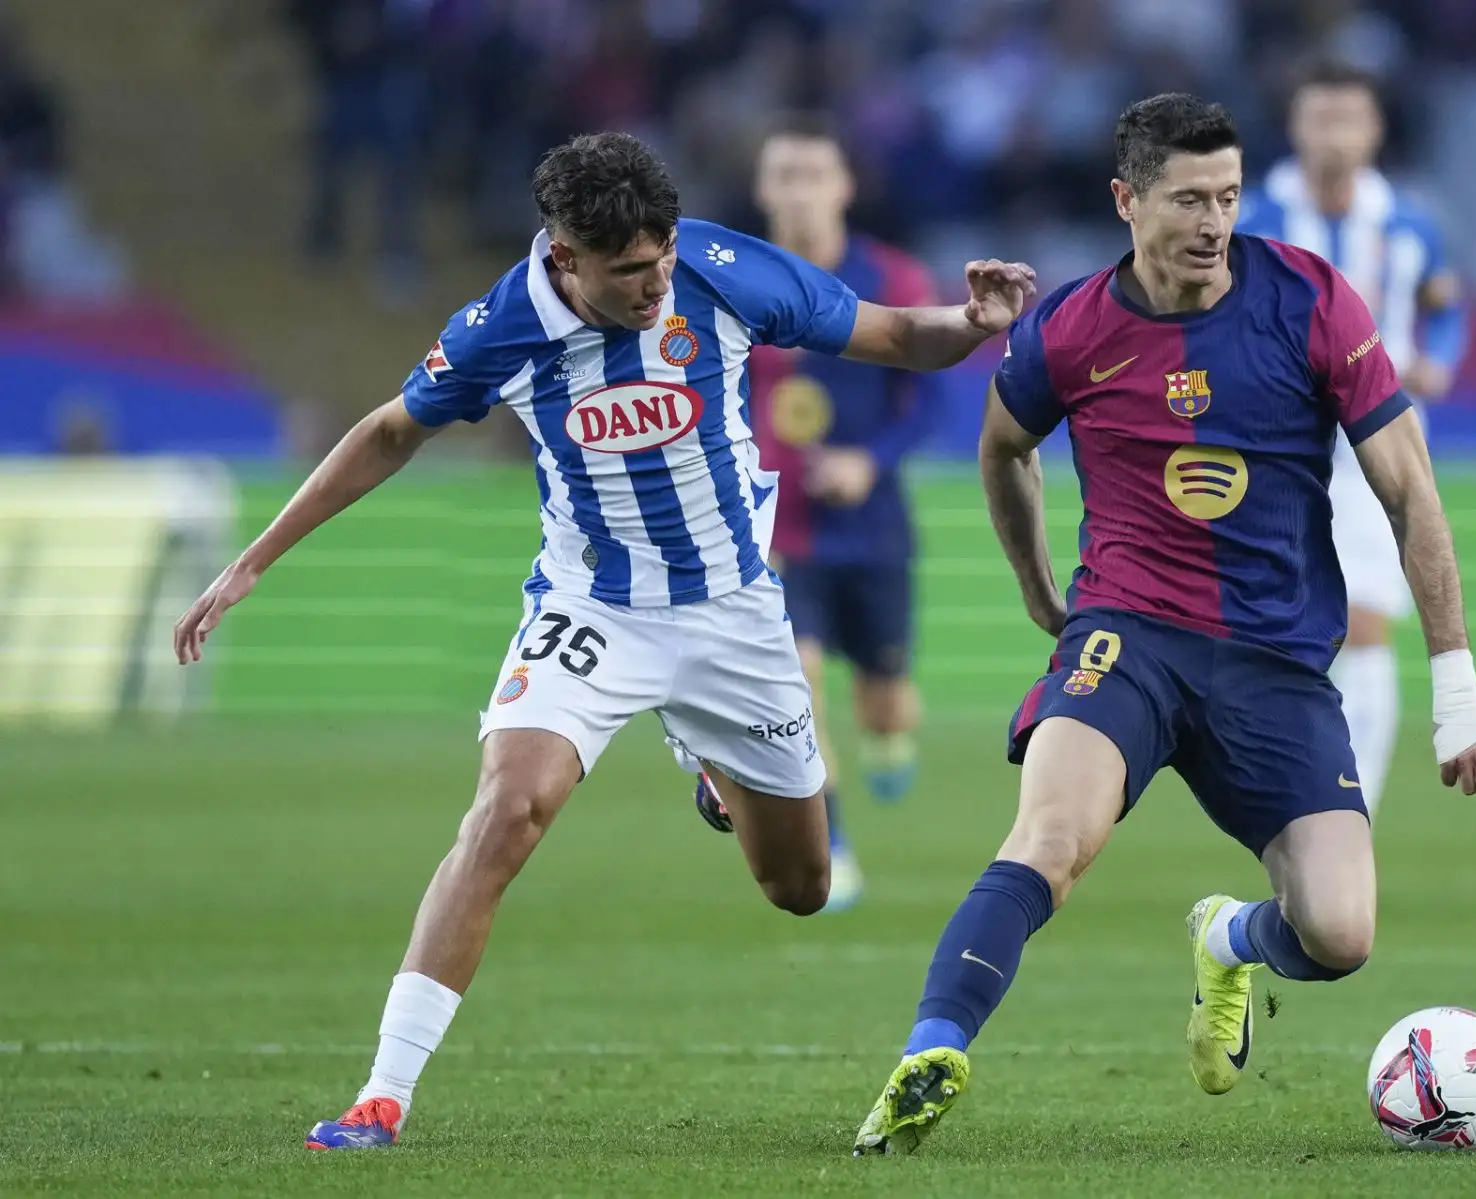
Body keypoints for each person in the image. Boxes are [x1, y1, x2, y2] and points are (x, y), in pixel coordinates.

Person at [171, 131, 1035, 1151]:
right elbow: (392, 429)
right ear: (565, 256)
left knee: (800, 887)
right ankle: (381, 1095)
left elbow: (892, 334)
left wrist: (970, 324)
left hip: (733, 613)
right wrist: (254, 561)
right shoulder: (503, 325)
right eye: (628, 271)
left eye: (661, 257)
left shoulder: (721, 269)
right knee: (507, 811)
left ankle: (714, 766)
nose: (655, 284)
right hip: (594, 608)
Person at [852, 94, 1476, 1157]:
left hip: (1276, 659)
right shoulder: (1072, 328)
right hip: (1129, 637)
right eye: (1190, 199)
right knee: (1050, 838)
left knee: (1340, 933)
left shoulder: (1309, 299)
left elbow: (1409, 491)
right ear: (1128, 200)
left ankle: (1228, 935)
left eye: (1230, 197)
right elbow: (1003, 446)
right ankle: (931, 1050)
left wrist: (1457, 680)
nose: (1215, 222)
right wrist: (1039, 591)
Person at [696, 116, 944, 912]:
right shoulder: (729, 281)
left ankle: (889, 735)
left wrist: (870, 460)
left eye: (814, 174)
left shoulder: (893, 278)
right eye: (785, 175)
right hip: (780, 527)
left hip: (873, 526)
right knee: (797, 685)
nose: (800, 191)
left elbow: (929, 396)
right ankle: (830, 840)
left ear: (844, 186)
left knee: (885, 699)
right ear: (764, 189)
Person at [1236, 61, 1471, 817]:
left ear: (1375, 130)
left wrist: (1440, 360)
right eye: (1320, 119)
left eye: (1349, 119)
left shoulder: (1408, 222)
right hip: (1275, 446)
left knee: (1365, 624)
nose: (1334, 136)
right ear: (1295, 127)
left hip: (1376, 444)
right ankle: (1284, 794)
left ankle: (1350, 811)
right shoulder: (1253, 217)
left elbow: (1445, 305)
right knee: (1276, 631)